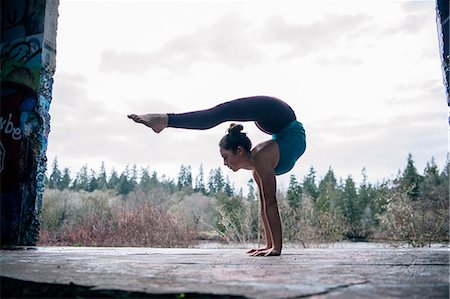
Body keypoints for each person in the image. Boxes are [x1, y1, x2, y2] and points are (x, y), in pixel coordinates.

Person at [128, 96, 306, 256]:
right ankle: (163, 120)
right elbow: (264, 205)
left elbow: (272, 202)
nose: (224, 163)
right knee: (221, 113)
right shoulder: (257, 166)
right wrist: (269, 245)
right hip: (277, 125)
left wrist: (277, 249)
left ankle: (163, 120)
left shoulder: (262, 157)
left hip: (279, 114)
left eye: (225, 156)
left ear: (240, 150)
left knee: (220, 113)